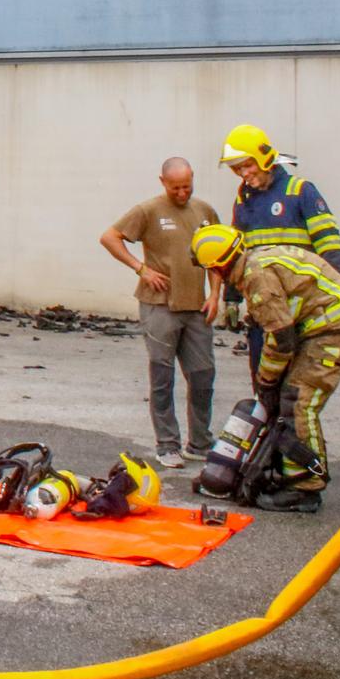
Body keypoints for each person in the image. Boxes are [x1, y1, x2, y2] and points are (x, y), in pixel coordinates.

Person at [189, 223, 340, 514]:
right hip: (325, 328)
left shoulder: (256, 275)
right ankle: (288, 473)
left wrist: (266, 380)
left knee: (299, 401)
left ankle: (305, 487)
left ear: (218, 267)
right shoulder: (257, 260)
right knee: (290, 400)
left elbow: (281, 338)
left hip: (334, 331)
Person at [99, 157, 221, 468]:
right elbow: (110, 238)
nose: (182, 193)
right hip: (160, 306)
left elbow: (217, 256)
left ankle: (200, 442)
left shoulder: (205, 211)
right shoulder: (148, 211)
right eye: (176, 187)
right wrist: (141, 269)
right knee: (163, 376)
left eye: (187, 186)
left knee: (203, 375)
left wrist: (215, 294)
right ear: (163, 182)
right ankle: (167, 444)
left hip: (196, 306)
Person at [218, 124, 340, 377]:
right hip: (264, 312)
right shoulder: (243, 202)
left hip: (302, 312)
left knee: (297, 390)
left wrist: (336, 303)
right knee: (264, 385)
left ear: (264, 158)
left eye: (247, 165)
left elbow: (331, 249)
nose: (243, 173)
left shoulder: (301, 192)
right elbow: (237, 255)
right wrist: (231, 298)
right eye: (237, 168)